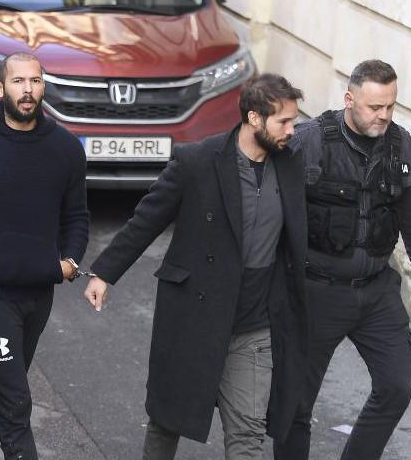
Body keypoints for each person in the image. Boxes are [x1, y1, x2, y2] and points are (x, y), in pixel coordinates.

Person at [84, 73, 310, 459]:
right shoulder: (198, 161)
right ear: (254, 118)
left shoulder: (289, 164)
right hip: (195, 314)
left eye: (294, 121)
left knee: (248, 433)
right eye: (284, 122)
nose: (292, 129)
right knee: (167, 420)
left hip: (254, 325)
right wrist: (104, 272)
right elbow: (147, 218)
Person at [274, 60, 411, 460]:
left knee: (398, 385)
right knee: (295, 403)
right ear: (350, 100)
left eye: (390, 106)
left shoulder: (402, 146)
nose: (383, 116)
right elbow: (270, 209)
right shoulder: (309, 141)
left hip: (376, 292)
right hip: (317, 292)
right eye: (374, 108)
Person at [0, 52, 89, 459]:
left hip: (39, 292)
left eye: (35, 81)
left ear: (43, 86)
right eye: (19, 81)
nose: (28, 90)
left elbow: (76, 215)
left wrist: (70, 263)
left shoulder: (65, 148)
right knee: (13, 403)